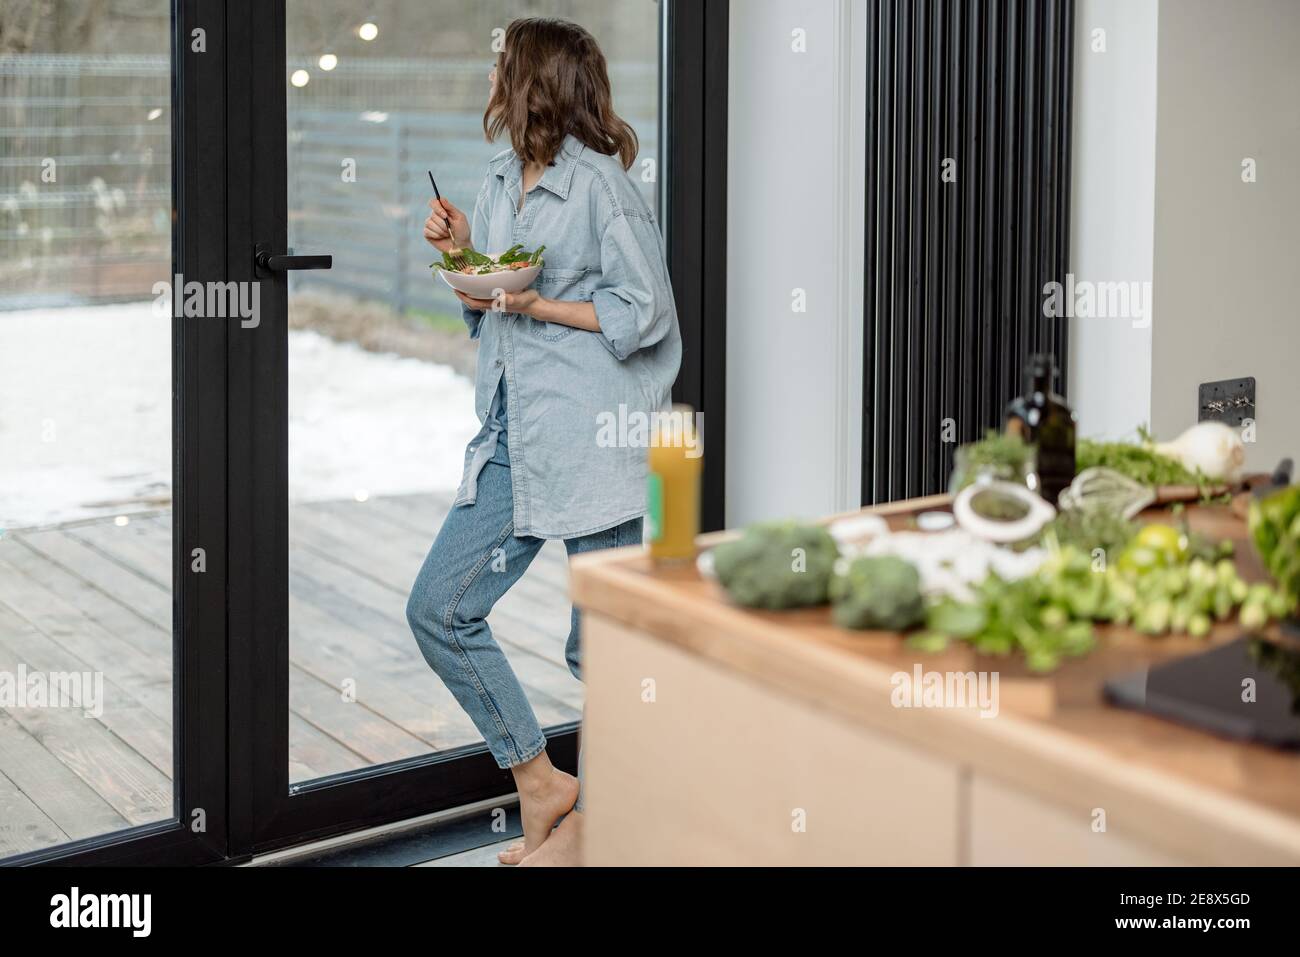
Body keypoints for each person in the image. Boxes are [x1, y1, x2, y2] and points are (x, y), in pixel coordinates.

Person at [406, 16, 680, 867]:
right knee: (441, 610)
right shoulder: (496, 179)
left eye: (503, 68)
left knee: (601, 646)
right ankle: (540, 779)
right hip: (513, 433)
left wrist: (538, 304)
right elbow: (489, 299)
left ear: (532, 84)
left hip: (597, 438)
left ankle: (605, 829)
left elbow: (647, 316)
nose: (492, 78)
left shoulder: (602, 186)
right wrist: (463, 254)